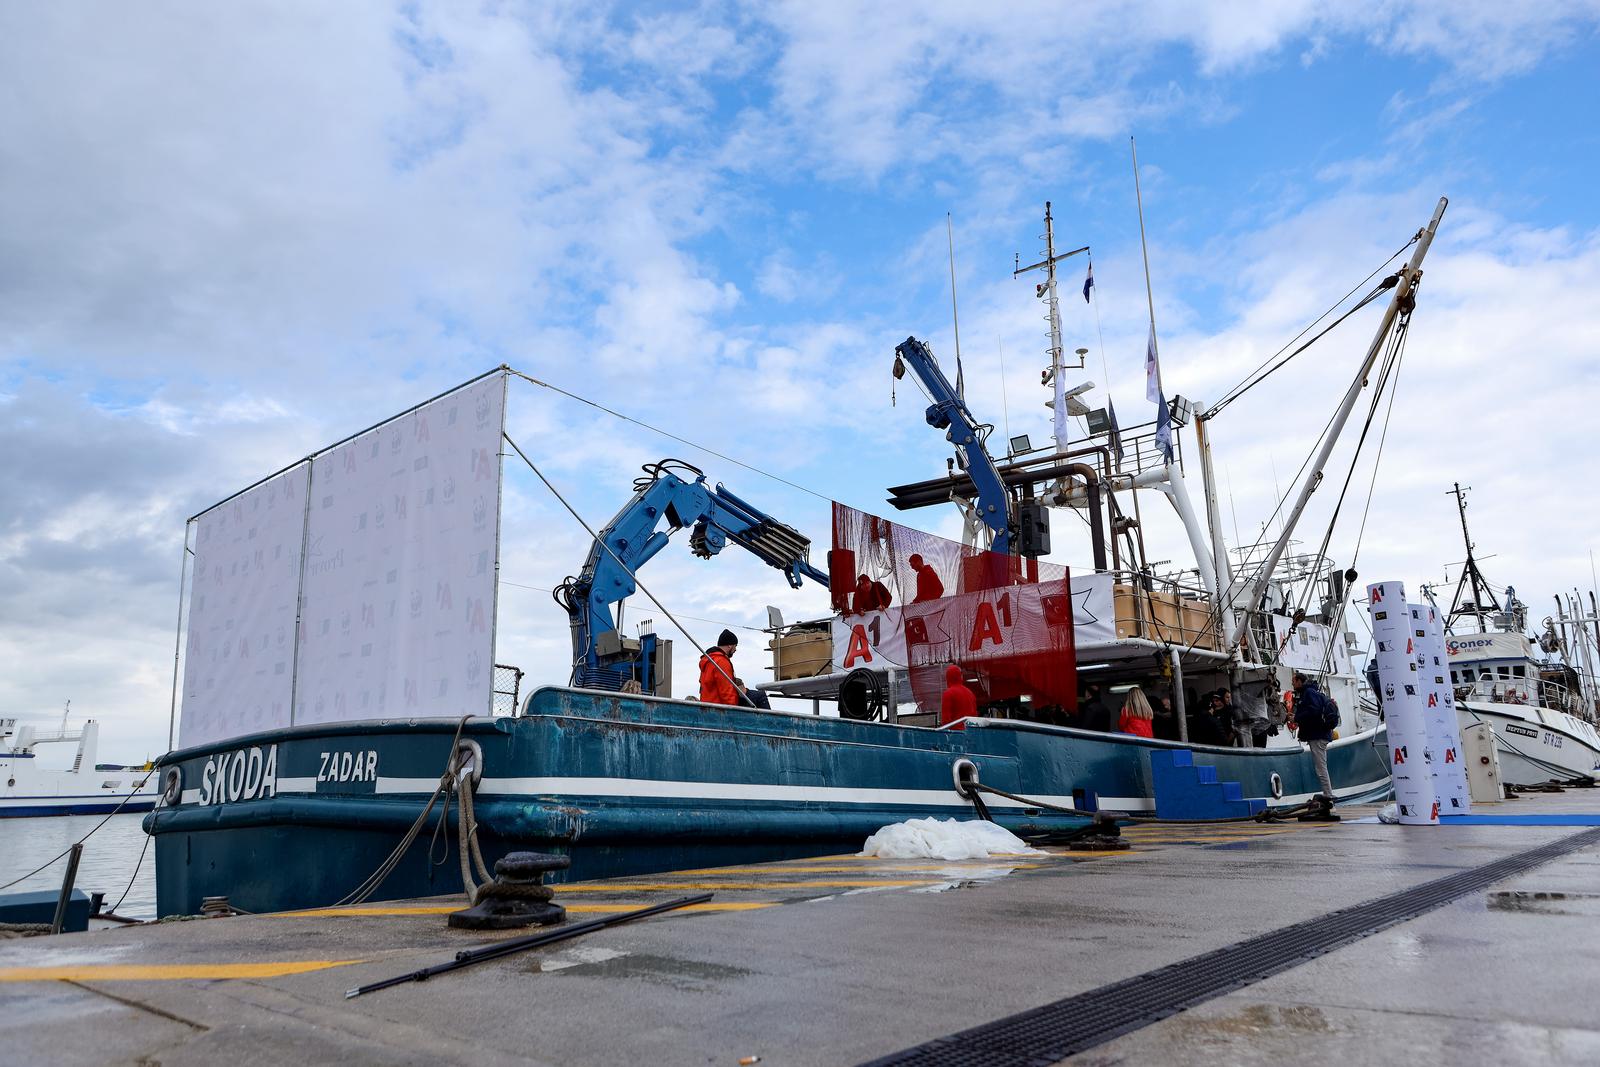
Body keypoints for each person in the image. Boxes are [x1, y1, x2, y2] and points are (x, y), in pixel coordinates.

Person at [1291, 671, 1337, 802]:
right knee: (1321, 766)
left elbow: (1314, 710)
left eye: (1294, 682)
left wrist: (1297, 717)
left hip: (1317, 735)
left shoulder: (1308, 693)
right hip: (1320, 734)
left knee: (1320, 767)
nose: (1293, 684)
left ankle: (1328, 795)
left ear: (1299, 681)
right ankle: (1328, 794)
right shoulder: (1313, 692)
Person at [698, 629, 741, 706]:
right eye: (735, 645)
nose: (735, 649)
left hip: (706, 708)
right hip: (720, 711)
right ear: (729, 645)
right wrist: (733, 709)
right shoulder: (721, 661)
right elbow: (726, 689)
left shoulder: (708, 660)